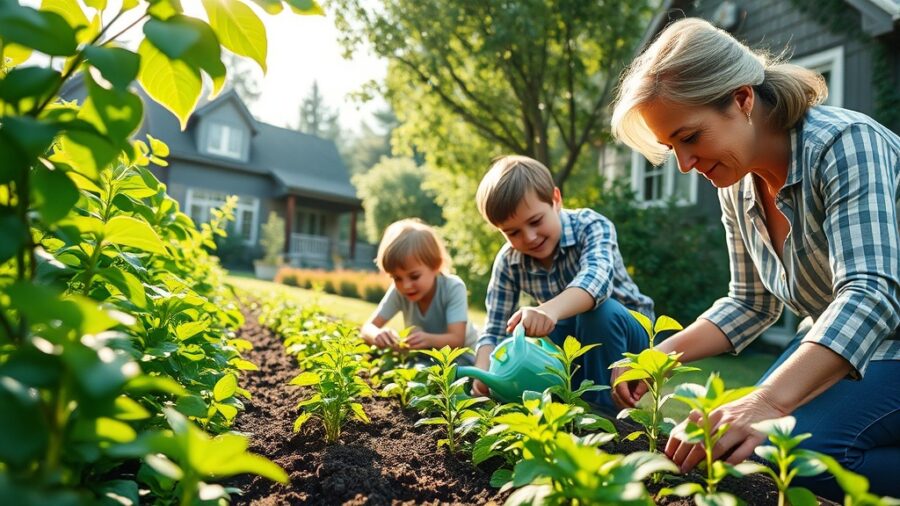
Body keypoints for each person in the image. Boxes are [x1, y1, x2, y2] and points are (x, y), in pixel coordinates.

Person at [610, 17, 900, 499]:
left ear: (742, 99)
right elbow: (750, 302)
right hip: (859, 348)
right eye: (671, 147)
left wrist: (766, 399)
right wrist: (657, 358)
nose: (684, 164)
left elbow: (871, 294)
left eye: (690, 137)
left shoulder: (844, 144)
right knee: (738, 447)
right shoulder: (737, 181)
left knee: (801, 455)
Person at [470, 155, 654, 410]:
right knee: (526, 335)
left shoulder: (591, 225)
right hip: (575, 339)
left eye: (535, 221)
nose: (530, 237)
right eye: (512, 232)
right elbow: (493, 329)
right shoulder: (509, 261)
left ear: (556, 200)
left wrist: (547, 310)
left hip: (631, 337)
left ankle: (607, 414)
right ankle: (557, 406)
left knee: (598, 311)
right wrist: (483, 373)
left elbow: (596, 284)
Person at [360, 218, 478, 360]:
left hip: (465, 357)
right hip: (427, 360)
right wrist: (377, 334)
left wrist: (428, 339)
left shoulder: (453, 287)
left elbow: (457, 340)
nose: (406, 285)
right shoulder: (398, 292)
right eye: (397, 278)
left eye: (414, 276)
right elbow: (367, 328)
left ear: (436, 265)